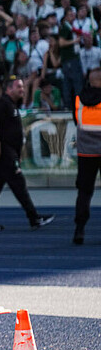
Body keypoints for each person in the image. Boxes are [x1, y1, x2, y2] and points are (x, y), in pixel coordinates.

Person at [0, 75, 54, 232]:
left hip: (10, 152)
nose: (22, 90)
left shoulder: (11, 105)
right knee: (18, 183)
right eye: (19, 87)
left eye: (23, 86)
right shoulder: (3, 103)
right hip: (5, 151)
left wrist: (17, 152)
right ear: (9, 88)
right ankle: (33, 217)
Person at [74, 69, 101, 245]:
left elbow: (77, 121)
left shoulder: (78, 100)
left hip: (86, 153)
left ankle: (79, 230)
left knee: (84, 193)